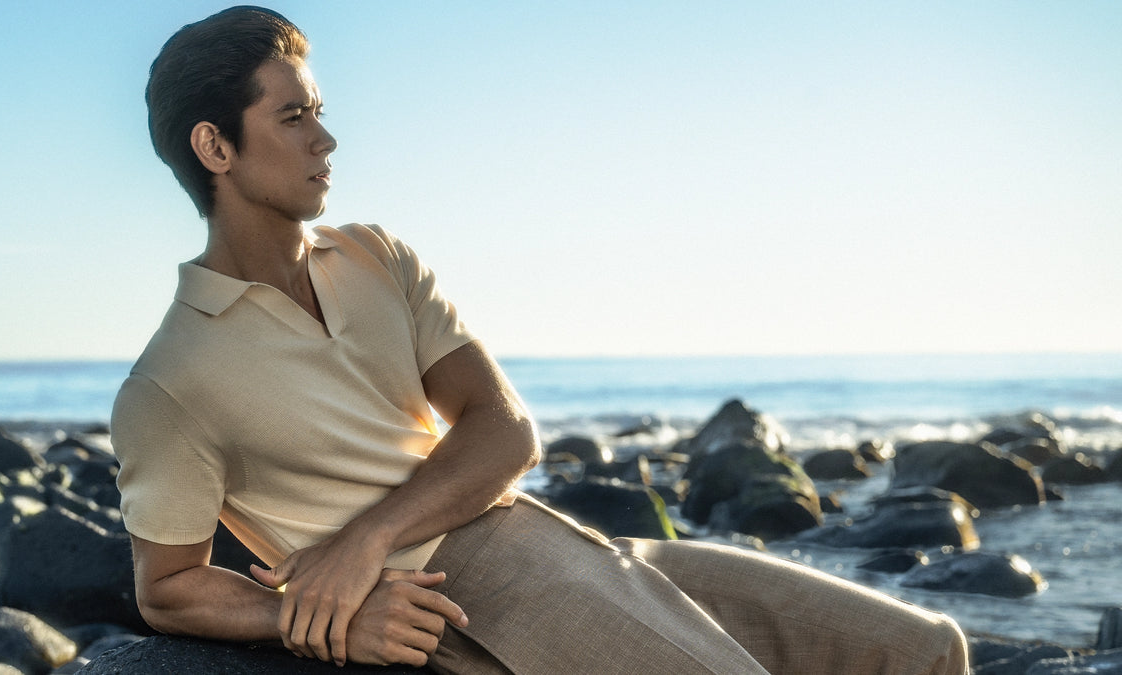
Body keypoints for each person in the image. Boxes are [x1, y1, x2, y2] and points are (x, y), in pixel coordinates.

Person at [112, 6, 970, 673]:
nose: (326, 138)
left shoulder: (377, 256)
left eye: (320, 111)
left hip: (550, 531)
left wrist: (361, 540)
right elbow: (170, 588)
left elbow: (504, 427)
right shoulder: (170, 382)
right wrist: (316, 616)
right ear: (214, 145)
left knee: (924, 649)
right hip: (470, 595)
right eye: (294, 116)